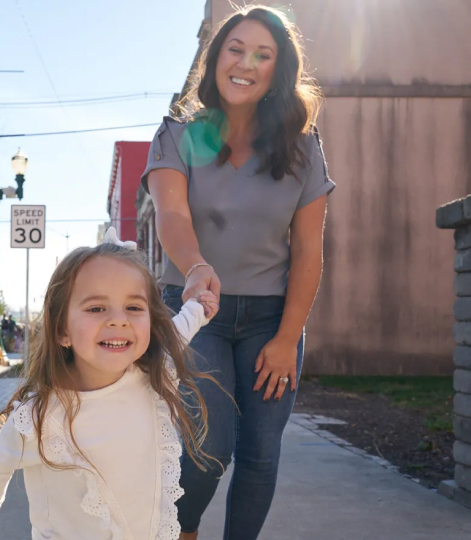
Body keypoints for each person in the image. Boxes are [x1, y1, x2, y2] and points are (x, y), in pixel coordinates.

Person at [142, 6, 334, 540]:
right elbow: (173, 217)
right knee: (209, 448)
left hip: (272, 320)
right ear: (216, 58)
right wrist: (198, 267)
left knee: (260, 455)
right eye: (235, 48)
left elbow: (308, 254)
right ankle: (179, 532)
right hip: (194, 309)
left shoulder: (302, 147)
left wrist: (287, 335)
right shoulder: (181, 136)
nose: (245, 62)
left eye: (263, 54)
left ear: (278, 69)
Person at [0, 232, 220, 540]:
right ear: (62, 331)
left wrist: (199, 307)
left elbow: (180, 329)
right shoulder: (44, 415)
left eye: (133, 307)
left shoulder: (154, 374)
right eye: (96, 309)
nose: (119, 320)